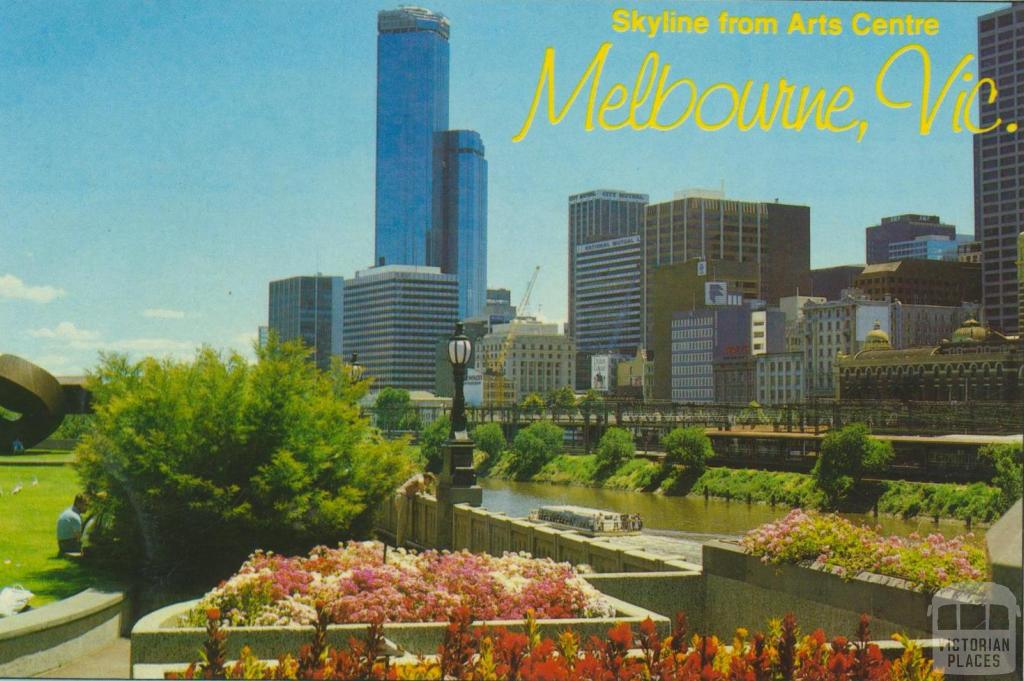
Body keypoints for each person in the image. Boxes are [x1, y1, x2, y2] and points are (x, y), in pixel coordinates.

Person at [394, 472, 435, 547]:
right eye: (430, 481)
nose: (429, 483)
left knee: (403, 522)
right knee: (402, 522)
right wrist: (423, 493)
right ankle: (399, 544)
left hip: (400, 497)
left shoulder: (417, 478)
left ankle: (401, 542)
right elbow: (421, 482)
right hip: (402, 497)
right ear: (427, 478)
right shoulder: (420, 477)